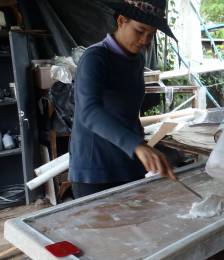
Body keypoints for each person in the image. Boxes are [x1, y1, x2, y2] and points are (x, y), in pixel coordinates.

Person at [69, 0, 177, 199]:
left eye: (151, 35)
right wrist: (136, 145)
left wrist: (143, 147)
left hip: (126, 160)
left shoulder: (137, 60)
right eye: (140, 31)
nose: (145, 40)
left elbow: (127, 111)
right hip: (95, 169)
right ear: (121, 21)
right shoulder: (96, 58)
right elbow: (88, 111)